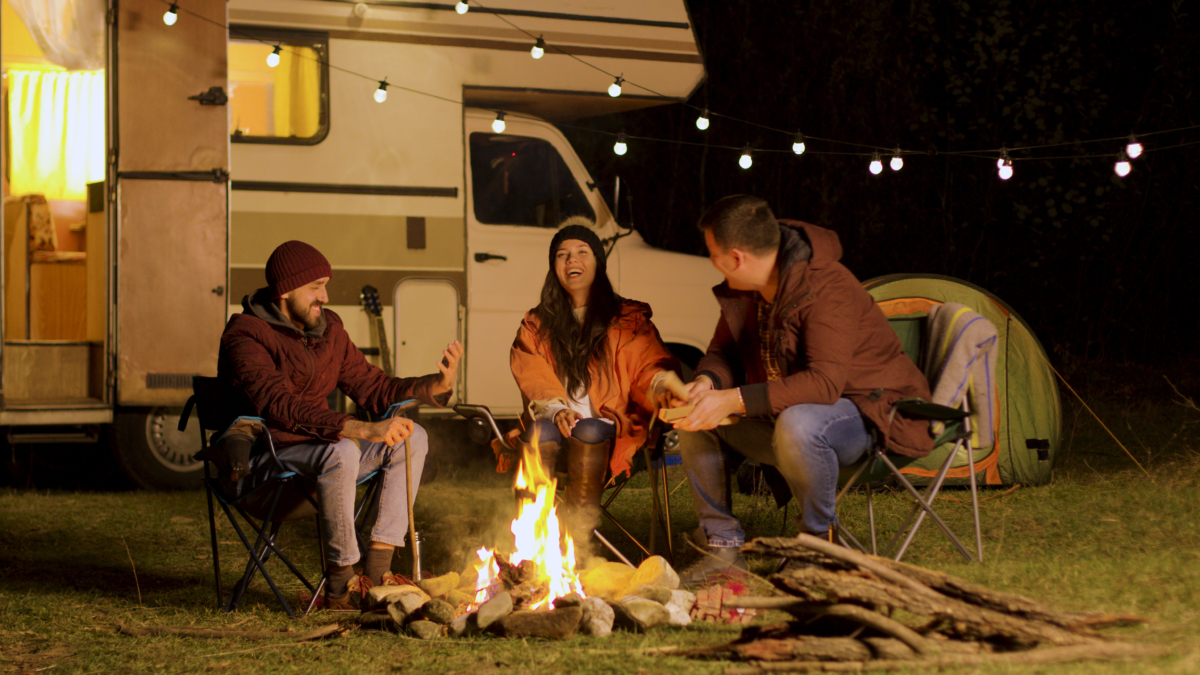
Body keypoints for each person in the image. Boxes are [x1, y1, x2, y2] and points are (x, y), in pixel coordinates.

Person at [671, 196, 933, 587]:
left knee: (799, 422)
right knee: (695, 417)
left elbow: (825, 384)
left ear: (737, 257)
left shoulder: (826, 286)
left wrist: (735, 400)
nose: (712, 262)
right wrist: (707, 384)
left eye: (713, 253)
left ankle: (818, 548)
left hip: (870, 412)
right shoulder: (747, 289)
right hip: (785, 418)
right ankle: (722, 546)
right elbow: (723, 351)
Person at [218, 240, 463, 610]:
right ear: (285, 290)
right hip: (264, 468)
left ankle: (378, 573)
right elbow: (277, 404)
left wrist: (432, 387)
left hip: (323, 466)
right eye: (315, 287)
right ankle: (341, 586)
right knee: (343, 448)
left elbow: (374, 387)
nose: (325, 295)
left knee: (412, 437)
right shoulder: (245, 335)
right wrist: (359, 428)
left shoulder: (329, 331)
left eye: (325, 284)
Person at [510, 224, 679, 547]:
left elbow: (649, 364)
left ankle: (577, 543)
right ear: (554, 268)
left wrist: (660, 382)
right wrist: (556, 409)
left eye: (581, 252)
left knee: (587, 429)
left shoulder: (627, 318)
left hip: (612, 430)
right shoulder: (537, 324)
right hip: (558, 428)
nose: (571, 260)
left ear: (597, 264)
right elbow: (531, 370)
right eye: (562, 255)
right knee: (538, 433)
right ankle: (533, 545)